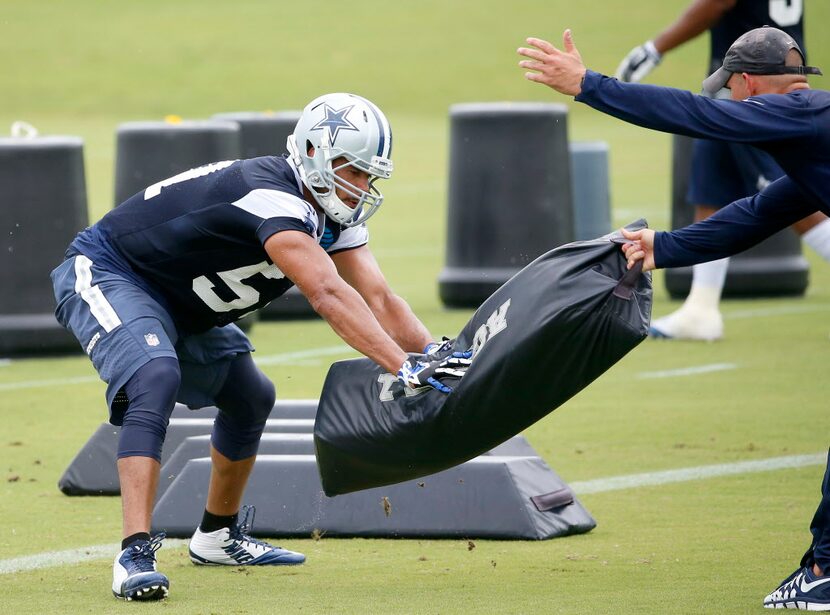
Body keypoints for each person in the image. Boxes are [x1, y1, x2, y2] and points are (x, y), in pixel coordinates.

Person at [51, 92, 471, 601]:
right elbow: (327, 292)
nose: (359, 187)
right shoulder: (269, 193)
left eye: (367, 176)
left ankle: (217, 536)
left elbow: (379, 297)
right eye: (350, 170)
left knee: (250, 395)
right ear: (315, 154)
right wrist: (403, 365)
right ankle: (133, 553)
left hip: (178, 300)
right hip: (111, 272)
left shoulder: (331, 212)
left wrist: (439, 352)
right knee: (154, 378)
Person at [518, 26, 830, 610]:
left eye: (733, 91)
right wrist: (666, 245)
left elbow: (695, 115)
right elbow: (762, 212)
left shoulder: (802, 113)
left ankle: (824, 571)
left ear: (746, 82)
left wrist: (589, 86)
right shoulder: (811, 133)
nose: (732, 102)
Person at [614, 0, 830, 341]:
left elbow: (687, 110)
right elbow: (752, 217)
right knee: (720, 189)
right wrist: (665, 245)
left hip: (759, 78)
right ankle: (701, 307)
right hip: (765, 70)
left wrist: (649, 51)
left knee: (798, 196)